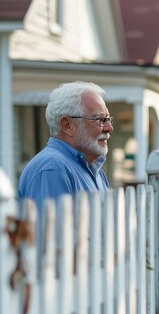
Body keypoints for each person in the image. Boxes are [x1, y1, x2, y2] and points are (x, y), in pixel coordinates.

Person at [18, 81, 113, 214]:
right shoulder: (52, 168)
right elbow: (51, 233)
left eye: (108, 119)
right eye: (100, 119)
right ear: (67, 125)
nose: (109, 128)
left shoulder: (95, 171)